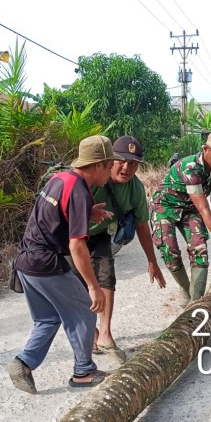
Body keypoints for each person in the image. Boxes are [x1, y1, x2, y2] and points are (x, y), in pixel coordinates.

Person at [7, 135, 121, 394]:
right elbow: (77, 246)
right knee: (85, 307)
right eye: (110, 164)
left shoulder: (60, 179)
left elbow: (54, 216)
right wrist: (93, 286)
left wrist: (87, 213)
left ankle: (22, 363)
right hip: (46, 262)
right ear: (99, 164)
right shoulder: (79, 190)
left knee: (48, 319)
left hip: (26, 261)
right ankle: (83, 371)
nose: (112, 171)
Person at [79, 136, 167, 361]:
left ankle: (105, 334)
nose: (127, 167)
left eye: (134, 163)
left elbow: (142, 226)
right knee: (78, 287)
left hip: (97, 235)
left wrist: (152, 261)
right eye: (122, 161)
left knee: (107, 277)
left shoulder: (136, 188)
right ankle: (92, 332)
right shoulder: (90, 180)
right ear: (110, 161)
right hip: (71, 237)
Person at [150, 131, 211, 306]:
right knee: (170, 252)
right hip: (165, 207)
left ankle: (196, 303)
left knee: (200, 250)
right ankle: (186, 287)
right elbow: (204, 208)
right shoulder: (191, 168)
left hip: (190, 208)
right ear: (206, 149)